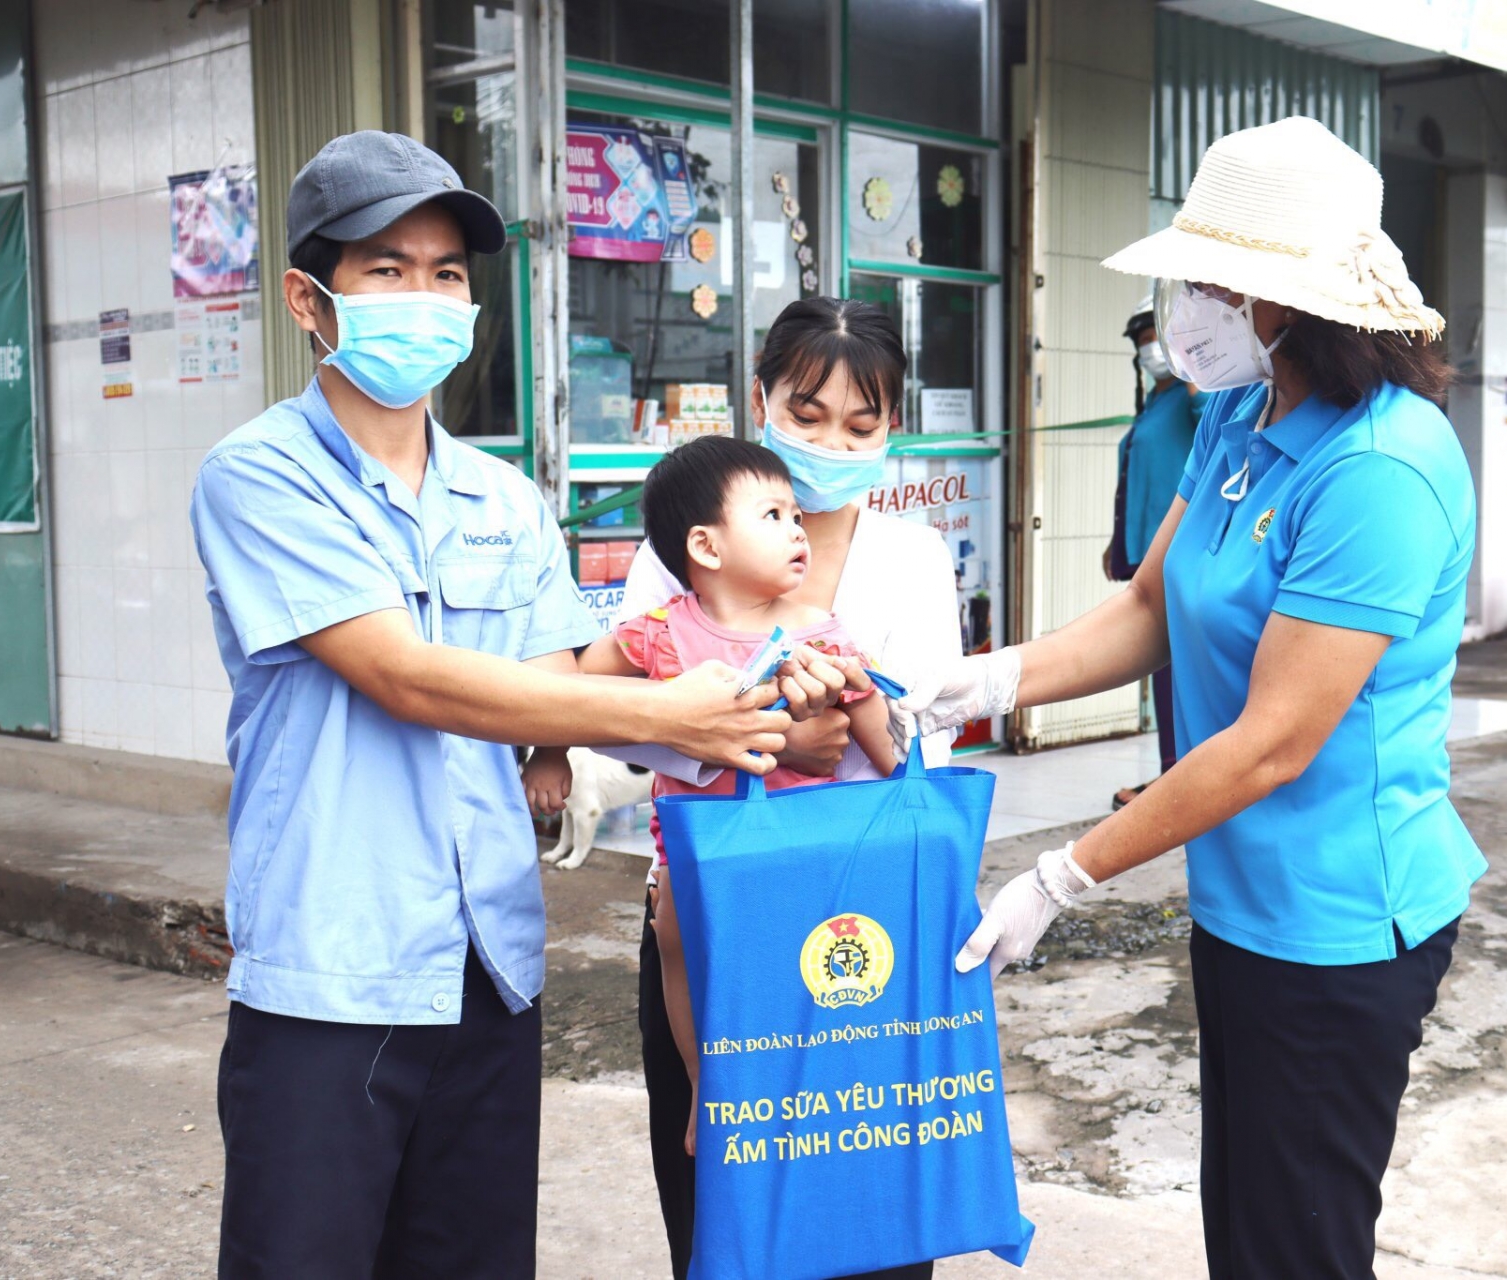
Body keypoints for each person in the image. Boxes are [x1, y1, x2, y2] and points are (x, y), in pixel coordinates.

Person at [189, 131, 809, 1278]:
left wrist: (772, 654)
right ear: (307, 298)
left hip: (489, 969)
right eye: (386, 270)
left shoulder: (504, 498)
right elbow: (404, 673)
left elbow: (574, 675)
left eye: (448, 275)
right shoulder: (258, 474)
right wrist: (675, 714)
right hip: (336, 967)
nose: (423, 299)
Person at [897, 117, 1484, 1279]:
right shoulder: (1237, 413)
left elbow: (1270, 743)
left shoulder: (1378, 469)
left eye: (1218, 281)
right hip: (1241, 903)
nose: (1190, 304)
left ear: (1295, 299)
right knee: (1249, 1225)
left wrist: (1061, 875)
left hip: (1338, 920)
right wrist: (991, 676)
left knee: (1298, 1243)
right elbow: (1149, 608)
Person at [614, 297, 959, 1280]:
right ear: (758, 397)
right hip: (719, 905)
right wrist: (772, 737)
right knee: (729, 1216)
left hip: (865, 922)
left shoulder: (914, 557)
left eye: (861, 424)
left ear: (894, 428)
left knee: (874, 1214)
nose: (830, 443)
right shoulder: (687, 544)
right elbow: (616, 712)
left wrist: (850, 719)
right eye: (805, 415)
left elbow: (919, 741)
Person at [582, 434, 896, 1163]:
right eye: (774, 514)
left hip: (795, 855)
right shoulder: (660, 633)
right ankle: (706, 1085)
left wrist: (871, 710)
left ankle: (805, 1090)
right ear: (707, 546)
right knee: (675, 939)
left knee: (798, 975)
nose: (797, 528)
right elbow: (576, 691)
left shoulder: (819, 629)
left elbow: (881, 741)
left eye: (796, 514)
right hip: (696, 855)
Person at [1105, 297, 1202, 808]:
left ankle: (1178, 778)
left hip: (1178, 554)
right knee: (1163, 672)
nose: (1149, 352)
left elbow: (1208, 413)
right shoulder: (1154, 402)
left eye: (1155, 341)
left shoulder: (1193, 395)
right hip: (1146, 552)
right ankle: (1171, 773)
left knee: (1175, 672)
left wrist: (1194, 362)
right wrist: (1117, 543)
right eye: (1141, 344)